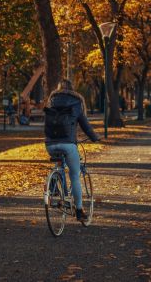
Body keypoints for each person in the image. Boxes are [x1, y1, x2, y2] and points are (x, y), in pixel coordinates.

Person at [44, 79, 100, 221]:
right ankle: (80, 210)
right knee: (74, 175)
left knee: (59, 162)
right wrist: (94, 137)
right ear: (72, 89)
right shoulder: (76, 102)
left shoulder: (51, 101)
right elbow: (85, 126)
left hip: (50, 145)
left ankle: (54, 184)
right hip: (68, 144)